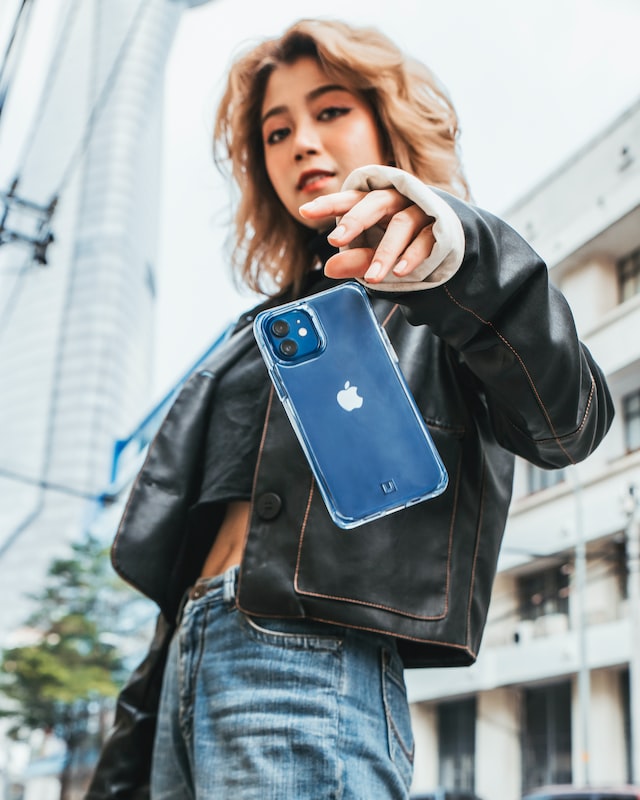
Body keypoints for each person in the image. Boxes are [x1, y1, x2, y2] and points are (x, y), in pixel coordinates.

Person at [87, 18, 613, 800]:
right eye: (276, 130)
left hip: (306, 665)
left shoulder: (448, 296)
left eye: (330, 110)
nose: (301, 142)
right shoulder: (255, 338)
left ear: (385, 121)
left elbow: (571, 420)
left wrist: (460, 260)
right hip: (187, 664)